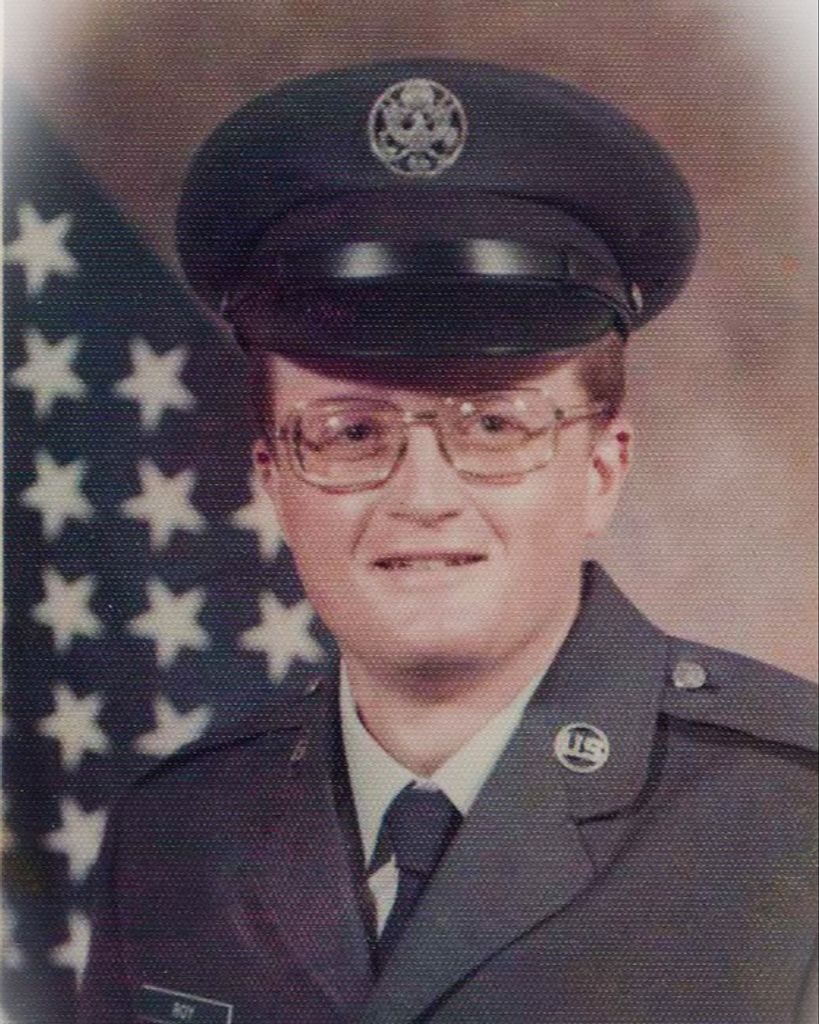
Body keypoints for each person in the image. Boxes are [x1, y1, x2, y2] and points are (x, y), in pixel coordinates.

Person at [78, 59, 817, 1024]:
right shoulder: (173, 837)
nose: (422, 496)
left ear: (601, 471)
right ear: (273, 483)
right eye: (350, 432)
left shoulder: (789, 823)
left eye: (495, 426)